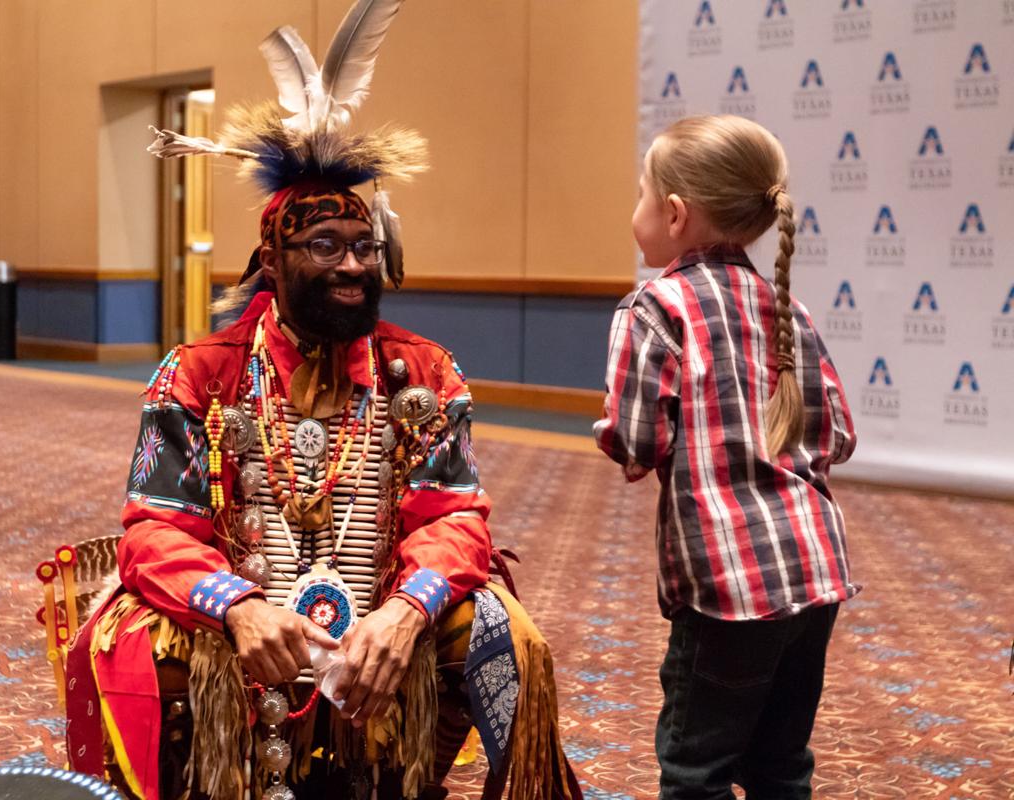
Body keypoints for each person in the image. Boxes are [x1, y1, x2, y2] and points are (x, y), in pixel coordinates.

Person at [63, 4, 578, 799]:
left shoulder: (422, 372)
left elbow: (456, 517)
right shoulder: (198, 373)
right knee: (127, 639)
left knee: (509, 635)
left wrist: (407, 610)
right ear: (273, 257)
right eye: (326, 248)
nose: (352, 267)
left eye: (366, 248)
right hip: (245, 624)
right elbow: (153, 530)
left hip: (379, 613)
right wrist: (234, 605)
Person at [593, 115, 858, 800]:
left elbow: (636, 439)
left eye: (642, 195)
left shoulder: (655, 309)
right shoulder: (784, 309)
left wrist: (624, 443)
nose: (638, 212)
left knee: (695, 768)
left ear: (674, 214)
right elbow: (837, 437)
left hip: (728, 585)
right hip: (814, 569)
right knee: (781, 763)